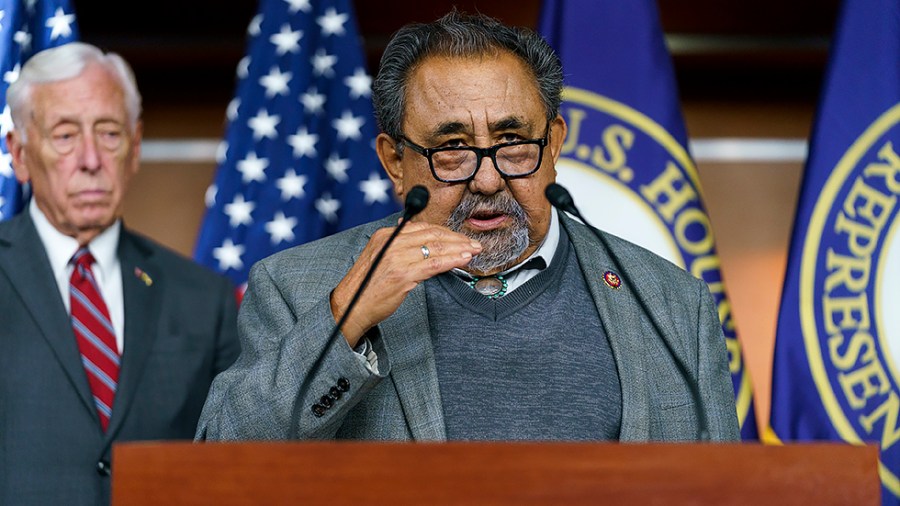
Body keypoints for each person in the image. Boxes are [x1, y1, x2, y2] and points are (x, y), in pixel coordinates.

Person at [196, 11, 739, 443]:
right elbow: (220, 459)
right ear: (393, 159)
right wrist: (346, 320)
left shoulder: (672, 304)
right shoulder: (296, 288)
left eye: (512, 141)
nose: (486, 179)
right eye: (452, 148)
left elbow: (724, 489)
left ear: (554, 144)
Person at [0, 42, 240, 505]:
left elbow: (237, 456)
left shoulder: (204, 298)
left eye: (109, 134)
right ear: (20, 155)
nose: (90, 160)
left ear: (134, 147)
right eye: (65, 136)